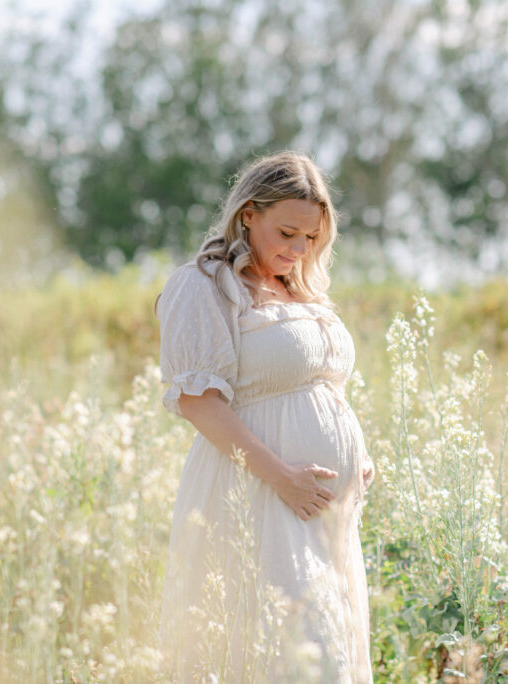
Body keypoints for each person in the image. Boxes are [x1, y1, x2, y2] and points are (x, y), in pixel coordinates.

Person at [156, 151, 374, 683]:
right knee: (287, 652)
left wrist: (357, 458)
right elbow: (198, 402)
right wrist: (283, 477)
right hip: (259, 492)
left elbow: (322, 385)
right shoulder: (204, 286)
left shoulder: (302, 292)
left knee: (326, 653)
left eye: (311, 239)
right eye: (287, 233)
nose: (298, 250)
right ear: (248, 213)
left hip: (321, 511)